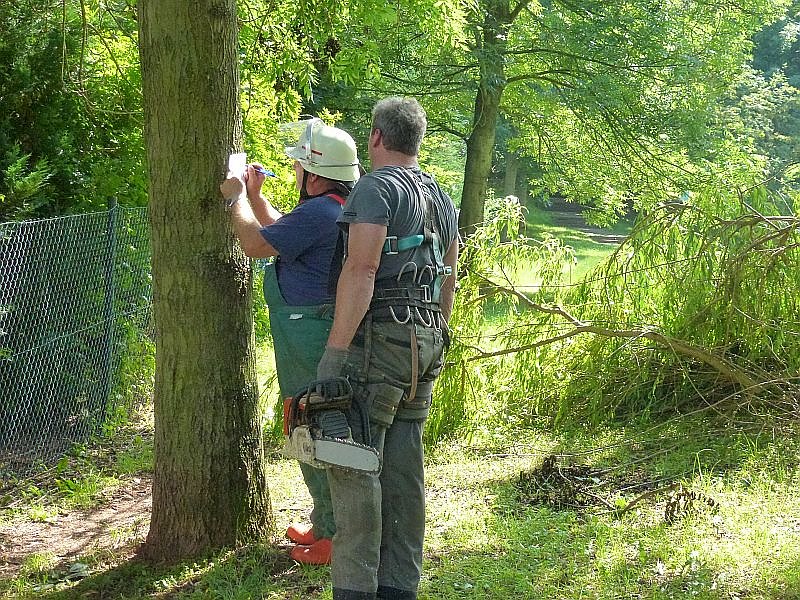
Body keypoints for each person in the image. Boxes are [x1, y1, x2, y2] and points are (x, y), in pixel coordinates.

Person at [315, 97, 459, 600]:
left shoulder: (377, 187)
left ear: (376, 137)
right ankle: (401, 587)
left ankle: (355, 590)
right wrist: (435, 330)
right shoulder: (440, 195)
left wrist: (335, 354)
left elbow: (363, 269)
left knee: (352, 463)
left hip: (379, 340)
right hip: (425, 338)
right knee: (404, 467)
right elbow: (449, 276)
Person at [220, 119, 361, 566]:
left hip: (306, 329)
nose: (296, 172)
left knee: (309, 422)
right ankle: (325, 522)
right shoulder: (332, 207)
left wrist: (238, 199)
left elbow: (256, 245)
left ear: (316, 174)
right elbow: (286, 233)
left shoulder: (321, 212)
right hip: (309, 325)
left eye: (300, 165)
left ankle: (334, 537)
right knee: (310, 421)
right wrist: (259, 199)